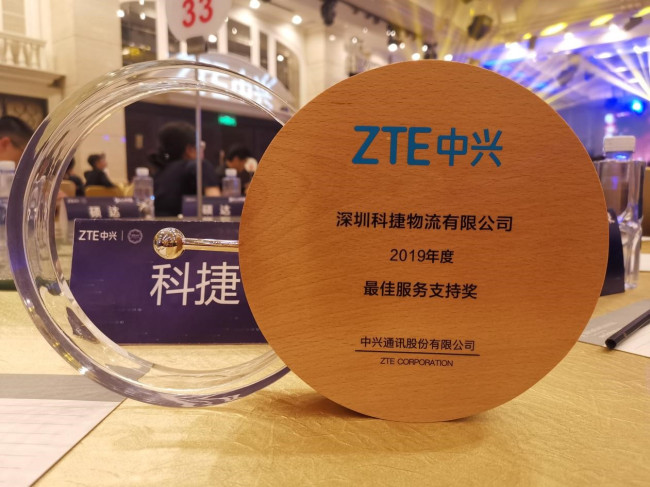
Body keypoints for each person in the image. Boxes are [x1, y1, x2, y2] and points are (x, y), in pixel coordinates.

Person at [152, 121, 220, 217]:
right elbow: (216, 206)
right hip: (190, 226)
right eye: (200, 146)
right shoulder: (200, 166)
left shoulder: (157, 174)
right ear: (189, 150)